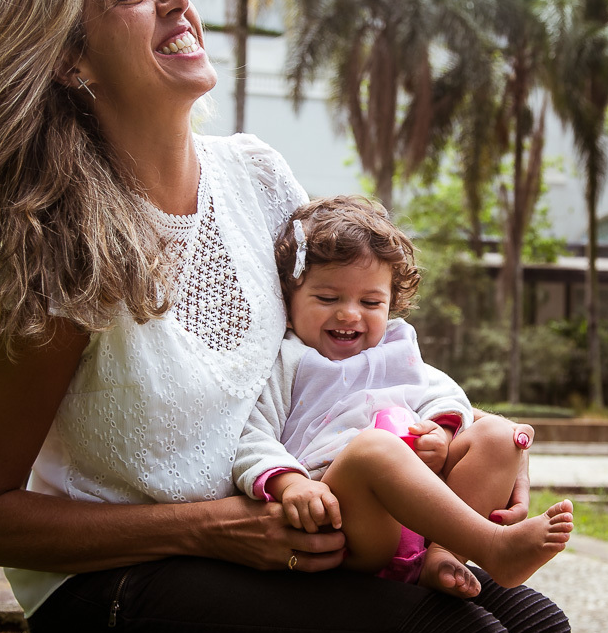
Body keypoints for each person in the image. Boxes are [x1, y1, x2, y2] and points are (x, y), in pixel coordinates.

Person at [0, 0, 573, 633]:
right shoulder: (65, 240)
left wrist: (464, 436)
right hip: (113, 591)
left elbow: (335, 345)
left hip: (281, 523)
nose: (175, 1)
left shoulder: (256, 178)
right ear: (73, 59)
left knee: (537, 628)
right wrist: (213, 525)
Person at [236, 196, 574, 598]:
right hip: (346, 518)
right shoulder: (286, 360)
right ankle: (493, 547)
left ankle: (445, 555)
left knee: (500, 434)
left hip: (424, 519)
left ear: (393, 303)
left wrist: (441, 433)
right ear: (288, 302)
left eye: (370, 302)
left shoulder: (396, 348)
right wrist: (290, 485)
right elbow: (250, 435)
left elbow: (443, 394)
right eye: (328, 299)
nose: (349, 314)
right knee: (374, 449)